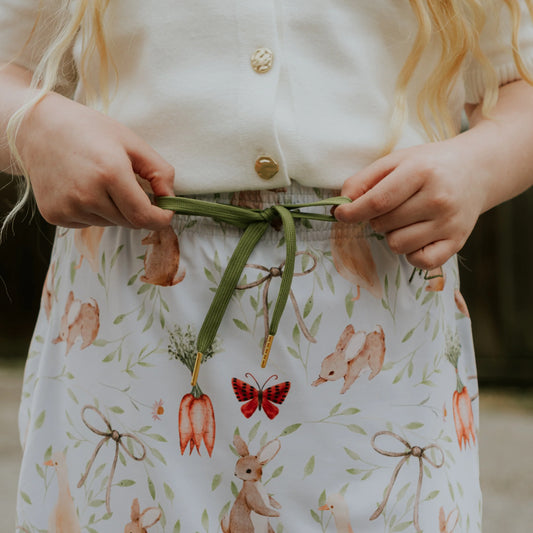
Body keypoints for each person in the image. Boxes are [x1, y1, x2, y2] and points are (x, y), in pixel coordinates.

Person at [1, 1, 533, 531]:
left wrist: (478, 166)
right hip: (133, 330)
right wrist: (34, 126)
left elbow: (520, 86)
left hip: (382, 335)